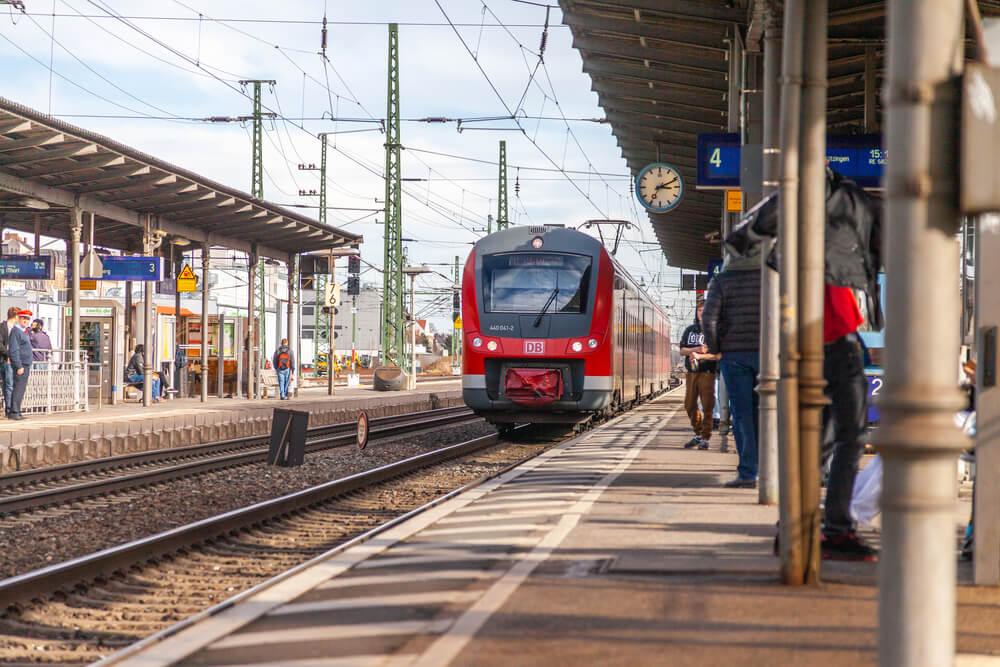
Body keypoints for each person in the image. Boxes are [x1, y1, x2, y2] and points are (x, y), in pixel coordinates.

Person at [728, 166, 883, 560]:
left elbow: (754, 229)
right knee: (851, 435)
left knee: (823, 439)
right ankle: (835, 531)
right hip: (834, 336)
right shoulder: (835, 208)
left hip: (809, 336)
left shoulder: (801, 219)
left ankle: (795, 524)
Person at [702, 246, 762, 488]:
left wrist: (716, 348)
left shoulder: (723, 279)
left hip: (734, 355)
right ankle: (771, 468)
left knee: (742, 414)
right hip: (769, 354)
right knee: (769, 410)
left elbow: (709, 318)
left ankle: (749, 472)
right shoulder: (772, 275)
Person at [679, 296, 719, 450]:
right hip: (691, 373)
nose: (702, 313)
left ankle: (704, 438)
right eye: (699, 311)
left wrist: (701, 355)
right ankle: (698, 432)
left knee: (708, 406)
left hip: (708, 372)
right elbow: (682, 350)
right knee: (689, 405)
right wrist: (696, 350)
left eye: (705, 310)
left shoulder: (715, 330)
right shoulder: (690, 330)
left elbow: (718, 355)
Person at [7, 309, 33, 420]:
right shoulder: (16, 332)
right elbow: (14, 350)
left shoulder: (24, 332)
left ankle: (17, 410)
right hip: (21, 364)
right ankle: (14, 411)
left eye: (27, 319)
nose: (26, 321)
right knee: (18, 388)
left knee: (21, 388)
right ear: (18, 318)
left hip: (25, 363)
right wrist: (18, 365)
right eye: (23, 318)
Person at [0, 307, 16, 416]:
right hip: (6, 360)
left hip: (14, 361)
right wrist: (8, 354)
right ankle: (9, 409)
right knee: (8, 385)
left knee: (10, 385)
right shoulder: (3, 327)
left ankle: (10, 408)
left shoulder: (17, 328)